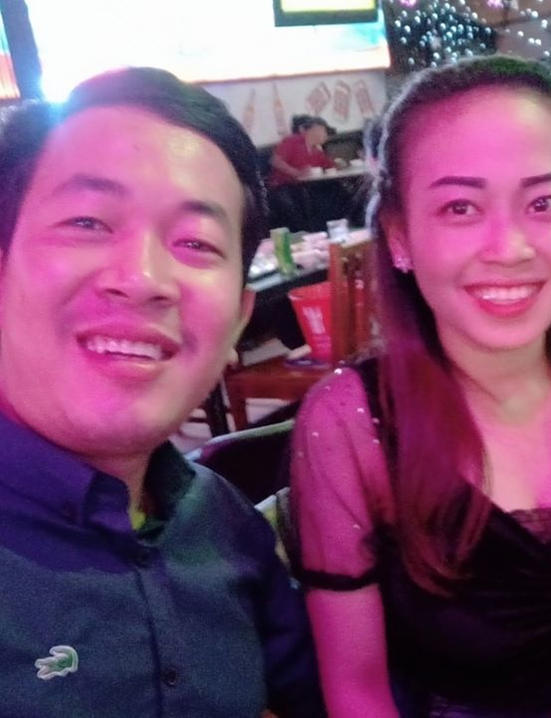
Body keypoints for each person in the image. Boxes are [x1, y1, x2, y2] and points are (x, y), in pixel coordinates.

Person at [291, 55, 551, 717]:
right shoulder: (350, 422)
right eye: (460, 207)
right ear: (400, 237)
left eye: (544, 202)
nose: (510, 247)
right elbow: (358, 687)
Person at [0, 67, 323, 717]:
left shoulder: (221, 520)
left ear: (237, 321)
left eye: (196, 242)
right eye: (88, 221)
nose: (144, 277)